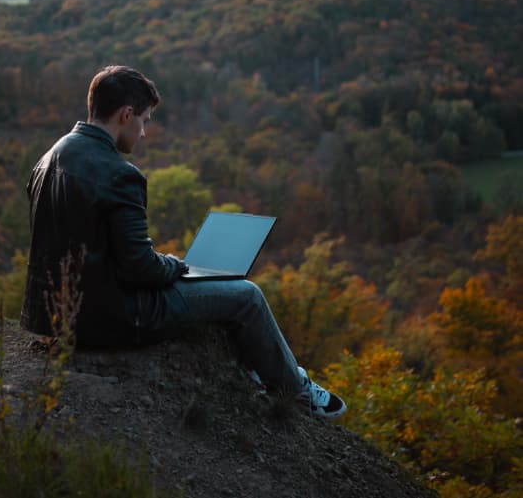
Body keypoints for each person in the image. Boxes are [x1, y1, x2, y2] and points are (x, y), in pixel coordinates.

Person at [21, 65, 346, 419]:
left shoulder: (49, 157)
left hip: (50, 316)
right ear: (125, 114)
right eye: (144, 120)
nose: (143, 132)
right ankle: (297, 392)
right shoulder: (120, 174)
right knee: (247, 296)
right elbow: (140, 269)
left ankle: (254, 368)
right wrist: (174, 265)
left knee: (224, 291)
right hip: (111, 317)